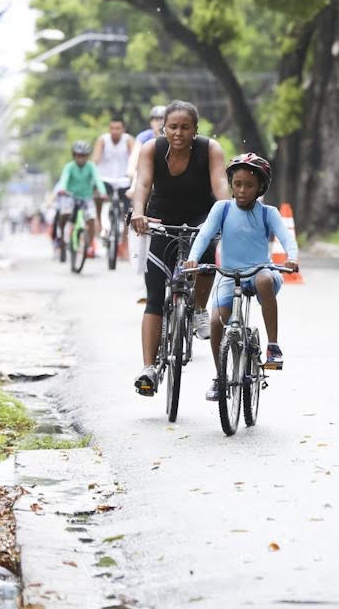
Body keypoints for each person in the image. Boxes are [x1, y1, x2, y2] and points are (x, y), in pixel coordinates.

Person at [128, 101, 228, 396]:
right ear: (163, 128)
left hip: (200, 218)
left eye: (186, 127)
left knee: (208, 249)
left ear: (196, 130)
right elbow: (143, 184)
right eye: (173, 127)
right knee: (155, 295)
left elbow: (220, 183)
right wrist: (138, 213)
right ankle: (148, 369)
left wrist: (225, 215)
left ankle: (198, 308)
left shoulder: (210, 149)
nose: (179, 133)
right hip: (160, 219)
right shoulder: (152, 150)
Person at [182, 153, 299, 400]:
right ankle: (220, 378)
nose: (242, 190)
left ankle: (273, 347)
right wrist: (193, 257)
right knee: (215, 322)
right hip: (229, 274)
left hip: (260, 271)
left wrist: (293, 257)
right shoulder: (222, 209)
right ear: (231, 185)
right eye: (237, 184)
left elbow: (287, 238)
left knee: (265, 280)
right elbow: (204, 236)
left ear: (260, 188)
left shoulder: (268, 213)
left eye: (249, 185)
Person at [53, 140, 107, 255]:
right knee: (65, 213)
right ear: (74, 155)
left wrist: (103, 192)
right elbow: (64, 179)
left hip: (86, 198)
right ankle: (62, 235)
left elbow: (97, 179)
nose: (81, 158)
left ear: (87, 156)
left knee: (91, 219)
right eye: (78, 155)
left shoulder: (91, 166)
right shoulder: (69, 167)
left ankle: (89, 244)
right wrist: (62, 189)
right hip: (69, 196)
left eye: (84, 156)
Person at [93, 117, 135, 235]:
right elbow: (95, 159)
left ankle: (124, 241)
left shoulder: (129, 140)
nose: (114, 131)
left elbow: (134, 157)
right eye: (112, 128)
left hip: (124, 180)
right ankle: (100, 225)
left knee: (129, 211)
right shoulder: (102, 140)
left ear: (123, 129)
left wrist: (133, 172)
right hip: (105, 179)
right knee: (97, 197)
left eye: (118, 128)